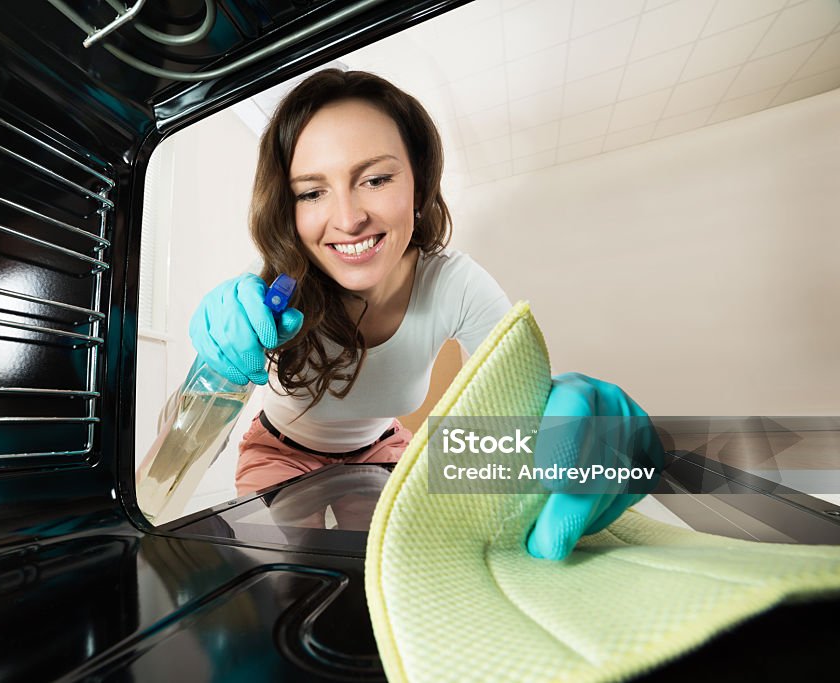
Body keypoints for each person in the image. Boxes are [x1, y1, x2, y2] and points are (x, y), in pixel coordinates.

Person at [189, 69, 663, 560]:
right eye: (312, 192)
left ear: (418, 182)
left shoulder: (455, 284)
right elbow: (179, 452)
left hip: (382, 449)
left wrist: (578, 443)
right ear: (289, 208)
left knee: (385, 561)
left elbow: (518, 416)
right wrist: (206, 376)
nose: (349, 219)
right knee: (293, 565)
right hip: (277, 449)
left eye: (375, 179)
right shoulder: (270, 289)